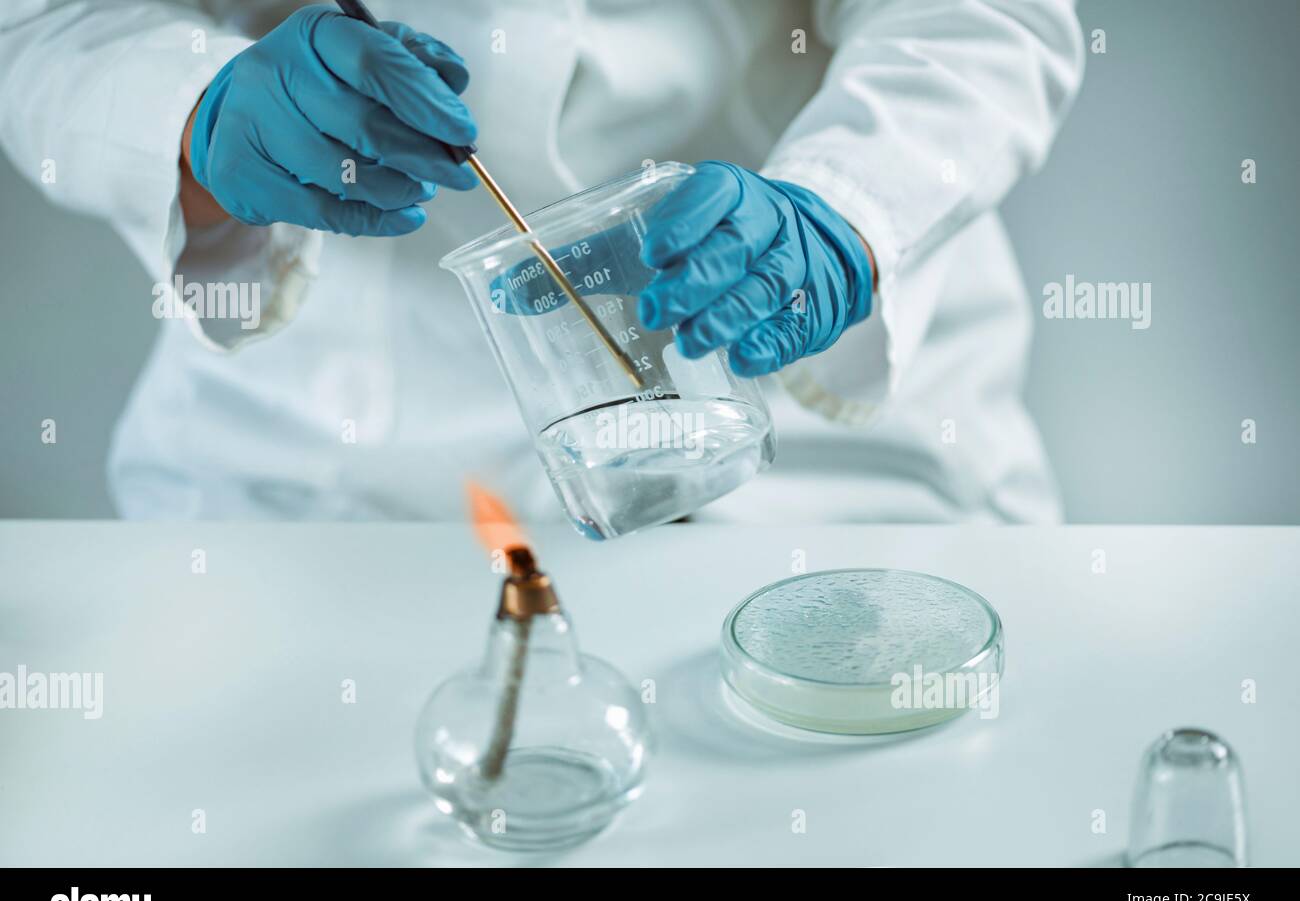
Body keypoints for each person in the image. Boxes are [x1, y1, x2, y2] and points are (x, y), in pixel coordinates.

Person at [0, 0, 1084, 522]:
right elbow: (42, 27)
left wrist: (847, 211)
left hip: (805, 427)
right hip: (327, 458)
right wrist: (197, 111)